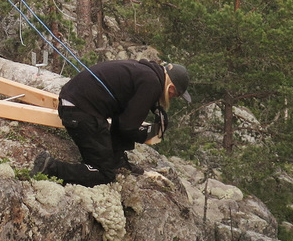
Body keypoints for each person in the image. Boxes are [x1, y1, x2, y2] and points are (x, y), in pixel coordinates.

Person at [32, 59, 191, 187]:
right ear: (171, 87)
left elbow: (123, 114)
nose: (173, 98)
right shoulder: (152, 83)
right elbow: (127, 127)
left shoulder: (147, 73)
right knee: (104, 174)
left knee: (111, 156)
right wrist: (146, 135)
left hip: (77, 105)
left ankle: (117, 160)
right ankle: (51, 167)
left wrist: (154, 108)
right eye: (175, 95)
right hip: (80, 112)